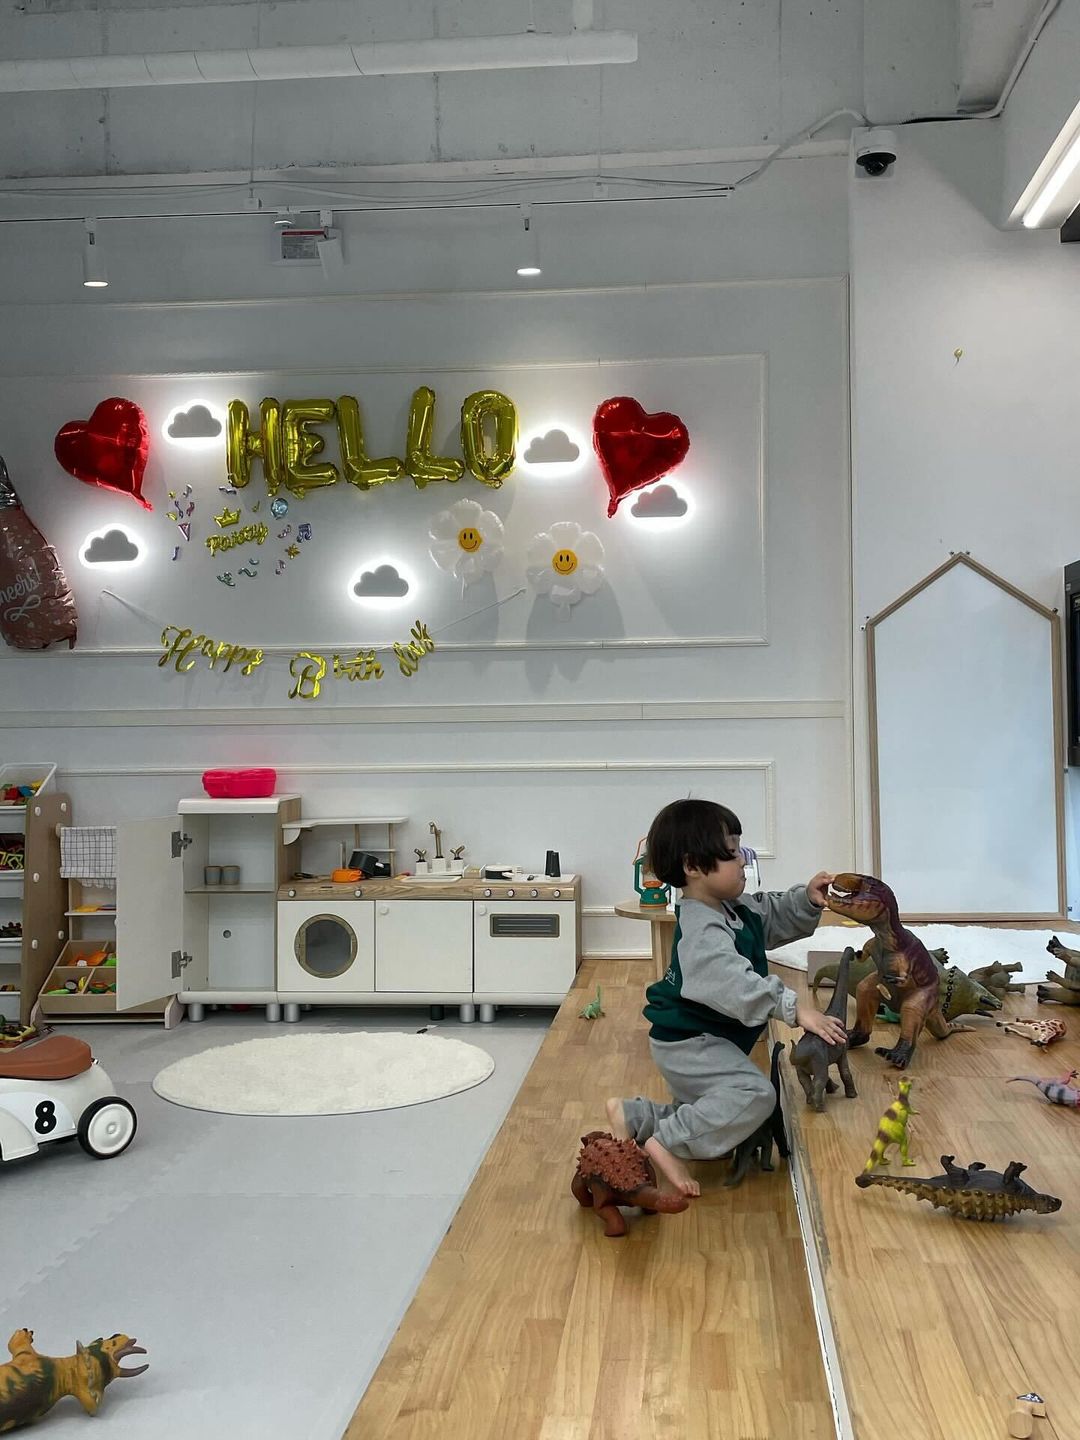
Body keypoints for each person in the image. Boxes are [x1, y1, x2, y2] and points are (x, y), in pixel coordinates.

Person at [606, 798, 846, 1198]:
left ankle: (635, 1116)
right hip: (689, 1044)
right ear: (693, 866)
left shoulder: (732, 907)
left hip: (704, 1039)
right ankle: (664, 1141)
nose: (742, 862)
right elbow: (735, 983)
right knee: (755, 1095)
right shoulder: (702, 932)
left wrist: (806, 899)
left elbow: (770, 913)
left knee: (714, 1112)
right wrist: (794, 1009)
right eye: (732, 853)